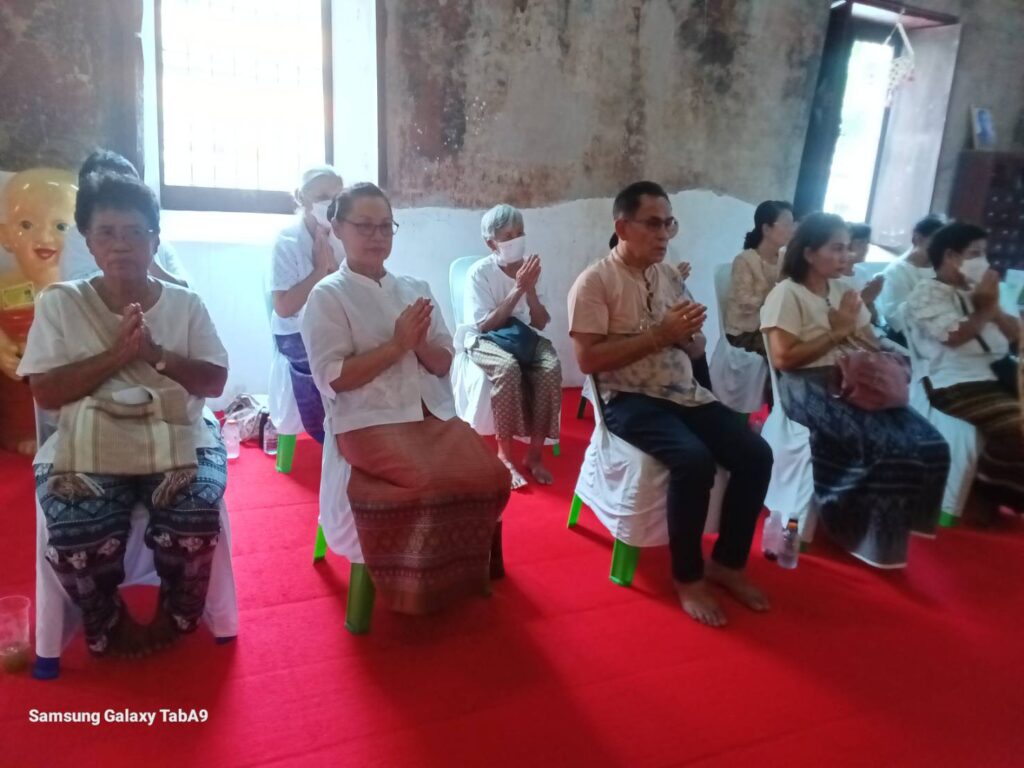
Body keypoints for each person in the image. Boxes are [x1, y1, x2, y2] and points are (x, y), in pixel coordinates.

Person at [18, 172, 229, 657]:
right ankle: (108, 622)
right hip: (88, 439)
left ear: (155, 240)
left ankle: (177, 614)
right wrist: (115, 356)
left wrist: (157, 356)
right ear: (88, 242)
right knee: (75, 530)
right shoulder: (61, 303)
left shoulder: (185, 303)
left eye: (135, 232)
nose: (121, 244)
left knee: (195, 516)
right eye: (107, 233)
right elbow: (46, 392)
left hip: (178, 435)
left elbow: (215, 382)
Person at [568, 181, 773, 628]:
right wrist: (659, 335)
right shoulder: (594, 282)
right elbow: (587, 360)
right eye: (653, 224)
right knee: (693, 460)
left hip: (682, 391)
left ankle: (728, 562)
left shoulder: (670, 277)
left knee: (756, 454)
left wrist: (686, 338)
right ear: (623, 226)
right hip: (628, 398)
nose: (664, 234)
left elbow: (694, 344)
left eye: (669, 224)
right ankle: (688, 576)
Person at [302, 183, 510, 615]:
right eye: (364, 226)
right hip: (368, 419)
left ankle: (463, 571)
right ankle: (416, 589)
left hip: (431, 413)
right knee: (431, 485)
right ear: (338, 228)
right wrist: (397, 345)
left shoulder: (415, 288)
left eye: (385, 227)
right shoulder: (328, 295)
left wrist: (417, 346)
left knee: (491, 475)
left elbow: (443, 362)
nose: (377, 236)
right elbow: (333, 378)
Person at [761, 213, 950, 568]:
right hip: (806, 385)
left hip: (851, 379)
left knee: (929, 442)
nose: (846, 256)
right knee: (886, 445)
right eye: (837, 249)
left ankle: (890, 527)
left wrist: (877, 347)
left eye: (848, 248)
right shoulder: (786, 294)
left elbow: (867, 340)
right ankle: (859, 531)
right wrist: (836, 331)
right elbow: (784, 359)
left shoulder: (844, 290)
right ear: (809, 253)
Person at [905, 222, 1022, 521]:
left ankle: (991, 487)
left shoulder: (985, 290)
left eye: (984, 253)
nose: (984, 261)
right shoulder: (927, 292)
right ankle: (987, 490)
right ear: (950, 256)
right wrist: (985, 310)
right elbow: (953, 335)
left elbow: (1016, 335)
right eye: (975, 253)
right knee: (1017, 426)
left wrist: (994, 308)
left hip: (997, 375)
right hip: (952, 383)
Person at [462, 203, 561, 489]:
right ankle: (504, 455)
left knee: (550, 368)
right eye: (508, 236)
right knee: (507, 369)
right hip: (486, 338)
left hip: (523, 335)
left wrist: (530, 289)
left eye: (520, 233)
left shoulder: (532, 268)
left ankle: (534, 455)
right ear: (491, 243)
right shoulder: (479, 273)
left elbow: (540, 322)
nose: (516, 240)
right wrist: (517, 288)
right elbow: (485, 325)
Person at [270, 166, 345, 444]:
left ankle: (360, 434)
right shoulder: (287, 241)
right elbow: (284, 307)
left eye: (336, 197)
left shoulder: (342, 235)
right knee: (325, 363)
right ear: (303, 198)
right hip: (295, 331)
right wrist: (319, 270)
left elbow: (349, 290)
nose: (330, 204)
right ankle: (327, 435)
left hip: (334, 324)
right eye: (322, 196)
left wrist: (334, 267)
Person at [61, 150, 191, 287]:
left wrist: (149, 261)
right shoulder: (78, 235)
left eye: (129, 190)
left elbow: (188, 290)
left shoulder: (155, 239)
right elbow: (77, 287)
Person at [723, 200, 794, 356]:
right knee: (785, 350)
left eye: (792, 224)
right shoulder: (745, 260)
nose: (791, 230)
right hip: (745, 332)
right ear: (767, 229)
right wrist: (777, 291)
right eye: (786, 225)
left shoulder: (784, 259)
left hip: (771, 326)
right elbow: (745, 303)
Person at [878, 214, 947, 337]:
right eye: (937, 243)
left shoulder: (942, 268)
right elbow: (897, 320)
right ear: (917, 239)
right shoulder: (896, 272)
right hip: (909, 338)